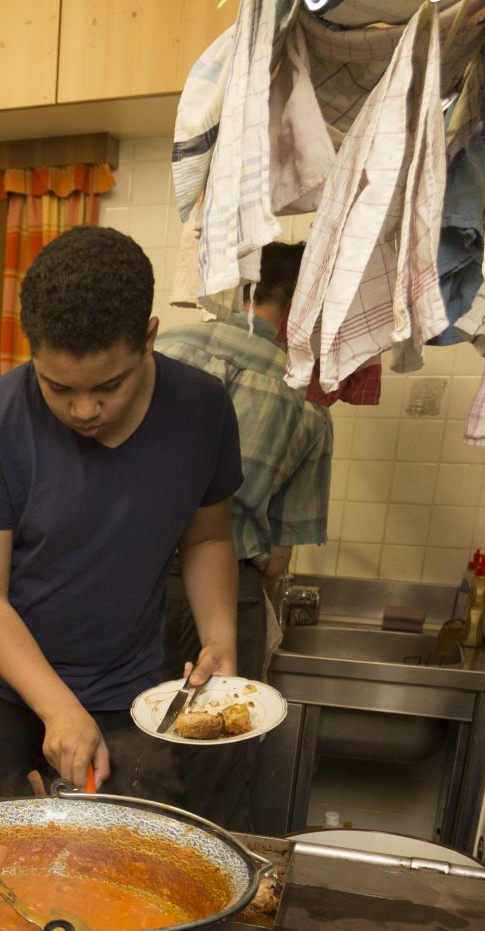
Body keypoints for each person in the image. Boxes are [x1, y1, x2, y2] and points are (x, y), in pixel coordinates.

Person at [0, 226, 243, 802]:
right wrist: (58, 707)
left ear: (148, 338)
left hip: (126, 696)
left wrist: (220, 635)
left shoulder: (202, 410)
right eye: (57, 387)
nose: (84, 410)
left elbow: (207, 539)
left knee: (123, 874)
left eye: (108, 386)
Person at [156, 242, 333, 832]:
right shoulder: (307, 401)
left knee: (132, 750)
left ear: (245, 292)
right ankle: (209, 903)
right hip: (232, 596)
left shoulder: (165, 349)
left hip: (136, 588)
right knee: (218, 763)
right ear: (307, 304)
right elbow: (279, 558)